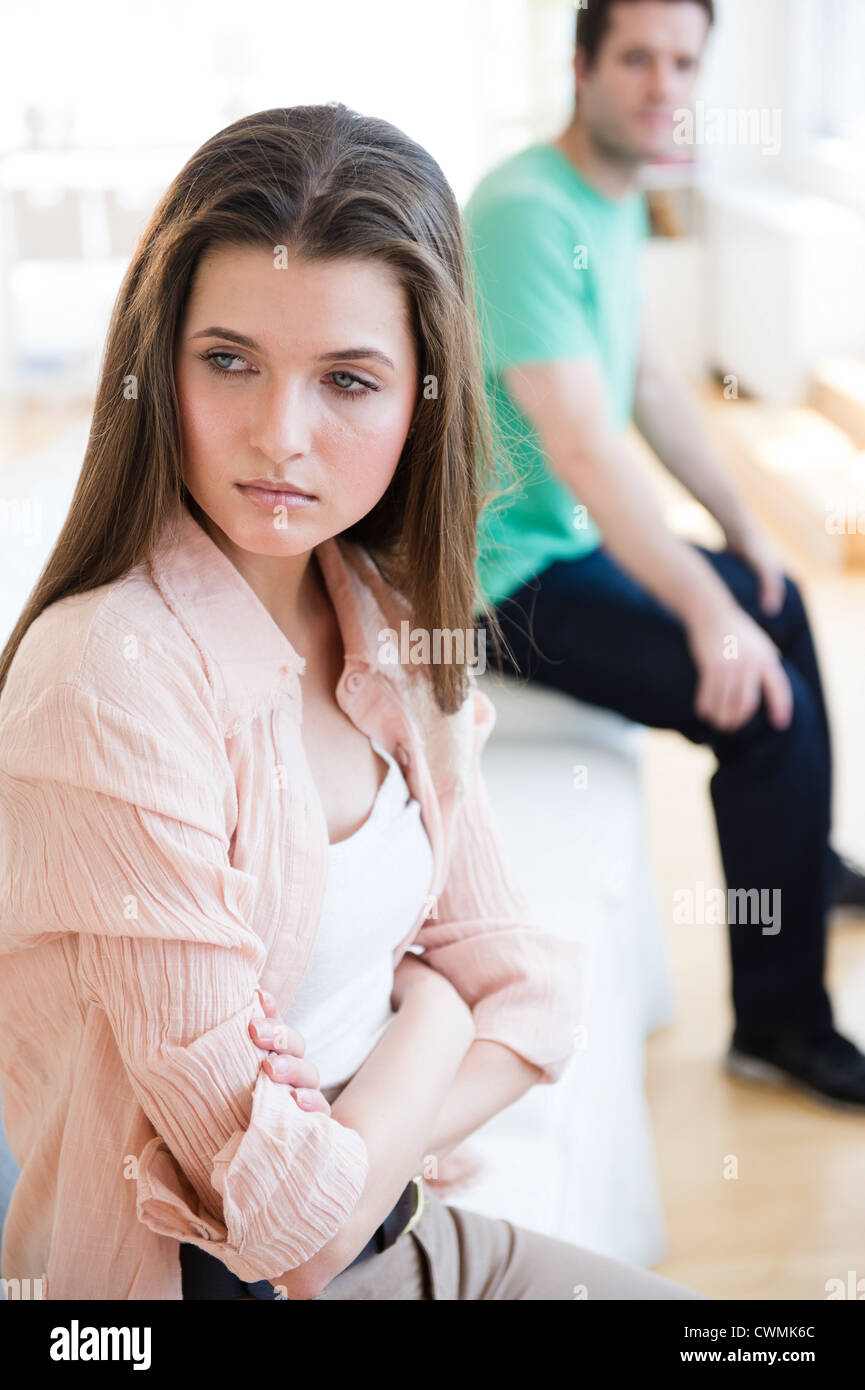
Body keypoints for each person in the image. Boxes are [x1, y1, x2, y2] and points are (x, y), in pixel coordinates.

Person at [0, 104, 707, 1301]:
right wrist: (430, 1014)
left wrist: (372, 1110)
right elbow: (289, 1230)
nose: (282, 437)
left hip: (413, 1228)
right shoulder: (108, 676)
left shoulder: (379, 605)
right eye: (229, 360)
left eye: (347, 379)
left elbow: (531, 990)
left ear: (423, 394)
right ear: (157, 362)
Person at [463, 0, 865, 1111]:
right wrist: (703, 608)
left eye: (682, 61)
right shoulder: (526, 212)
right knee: (764, 708)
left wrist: (743, 533)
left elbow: (643, 384)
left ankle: (800, 864)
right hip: (495, 587)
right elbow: (584, 445)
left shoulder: (611, 195)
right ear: (582, 64)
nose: (661, 83)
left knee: (774, 600)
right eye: (635, 57)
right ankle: (778, 1026)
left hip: (560, 545)